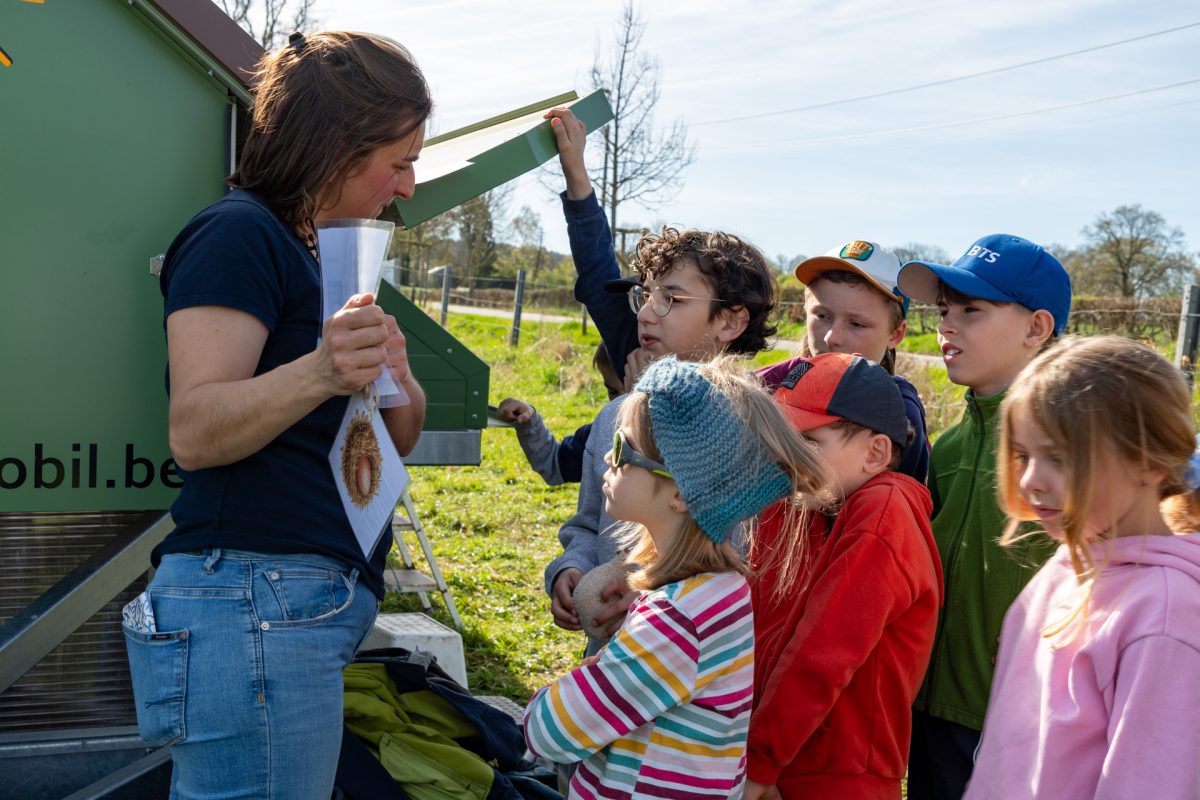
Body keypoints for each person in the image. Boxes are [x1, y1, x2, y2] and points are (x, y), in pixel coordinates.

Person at [121, 31, 430, 799]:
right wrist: (323, 369)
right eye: (398, 162)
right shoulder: (237, 234)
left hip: (280, 607)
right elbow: (195, 431)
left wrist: (397, 384)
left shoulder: (319, 255)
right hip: (251, 602)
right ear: (334, 148)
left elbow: (391, 441)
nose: (410, 185)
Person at [524, 356, 829, 800]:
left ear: (682, 493)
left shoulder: (674, 621)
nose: (609, 456)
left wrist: (591, 671)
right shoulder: (724, 591)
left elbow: (547, 733)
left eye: (625, 449)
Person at [965, 336, 1200, 798]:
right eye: (1023, 456)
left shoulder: (1167, 617)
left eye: (1061, 457)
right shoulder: (1067, 565)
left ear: (1148, 462)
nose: (1030, 480)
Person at [543, 221, 779, 652]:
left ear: (729, 320)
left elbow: (745, 561)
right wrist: (569, 568)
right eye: (646, 295)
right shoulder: (617, 416)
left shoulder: (748, 433)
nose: (647, 313)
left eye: (671, 299)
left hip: (688, 657)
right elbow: (586, 523)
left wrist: (653, 589)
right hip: (607, 661)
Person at [895, 234, 1072, 799]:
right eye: (945, 310)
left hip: (1026, 718)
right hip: (931, 708)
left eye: (972, 310)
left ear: (1036, 328)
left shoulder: (1076, 447)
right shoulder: (945, 448)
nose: (947, 325)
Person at [745, 353, 942, 800]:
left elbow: (822, 653)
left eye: (809, 444)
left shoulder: (884, 512)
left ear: (876, 452)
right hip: (783, 764)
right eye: (783, 444)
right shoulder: (816, 498)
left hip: (840, 777)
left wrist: (759, 765)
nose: (788, 461)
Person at [757, 242, 930, 481]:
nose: (831, 337)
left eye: (856, 324)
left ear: (895, 334)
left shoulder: (901, 415)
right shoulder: (771, 383)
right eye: (822, 316)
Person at [497, 344, 624, 485]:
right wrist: (528, 421)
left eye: (633, 391)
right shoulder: (597, 434)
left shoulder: (652, 445)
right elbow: (554, 464)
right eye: (613, 392)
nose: (622, 402)